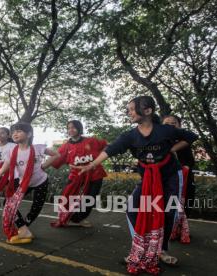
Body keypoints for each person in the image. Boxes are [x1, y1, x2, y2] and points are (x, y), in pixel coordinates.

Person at [72, 96, 198, 274]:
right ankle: (141, 246)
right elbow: (110, 150)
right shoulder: (130, 136)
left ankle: (162, 250)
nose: (129, 112)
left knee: (169, 212)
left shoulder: (165, 131)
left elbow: (191, 137)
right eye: (128, 109)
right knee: (132, 209)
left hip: (170, 175)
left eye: (132, 109)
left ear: (147, 111)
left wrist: (172, 149)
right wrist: (91, 165)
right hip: (147, 177)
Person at [0, 122, 60, 244]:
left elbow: (56, 154)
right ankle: (23, 228)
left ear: (29, 134)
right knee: (9, 203)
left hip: (41, 182)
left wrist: (44, 166)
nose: (15, 134)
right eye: (13, 132)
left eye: (19, 131)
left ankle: (24, 227)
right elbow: (2, 169)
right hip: (24, 183)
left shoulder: (39, 148)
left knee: (36, 208)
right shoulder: (12, 152)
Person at [51, 120, 107, 227]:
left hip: (95, 174)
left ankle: (78, 219)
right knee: (67, 196)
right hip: (76, 175)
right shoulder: (65, 147)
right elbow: (55, 159)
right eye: (68, 128)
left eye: (73, 127)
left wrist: (98, 159)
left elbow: (107, 147)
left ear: (79, 129)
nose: (70, 130)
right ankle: (66, 216)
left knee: (90, 198)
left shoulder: (91, 141)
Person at [163, 115, 195, 244]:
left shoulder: (184, 140)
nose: (170, 125)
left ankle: (180, 230)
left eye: (174, 123)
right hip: (166, 179)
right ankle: (167, 230)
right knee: (167, 204)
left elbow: (190, 161)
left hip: (184, 177)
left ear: (179, 126)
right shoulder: (160, 140)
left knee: (187, 202)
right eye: (167, 123)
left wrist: (171, 150)